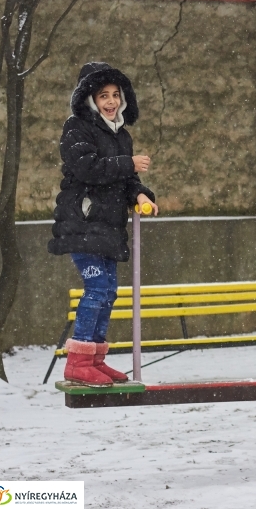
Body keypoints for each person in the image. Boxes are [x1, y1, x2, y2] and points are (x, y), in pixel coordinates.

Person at [48, 62, 158, 387]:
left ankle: (94, 358)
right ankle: (77, 363)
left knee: (108, 292)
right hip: (82, 223)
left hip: (109, 227)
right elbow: (87, 168)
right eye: (102, 95)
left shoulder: (121, 135)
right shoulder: (76, 128)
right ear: (90, 99)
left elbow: (127, 179)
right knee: (96, 288)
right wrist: (128, 163)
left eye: (115, 95)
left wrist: (140, 195)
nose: (110, 101)